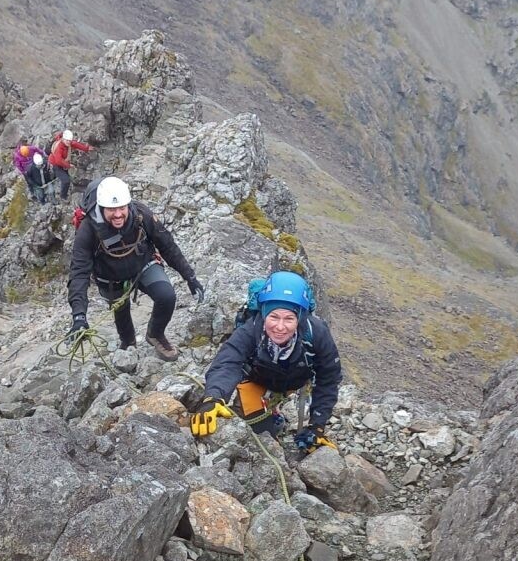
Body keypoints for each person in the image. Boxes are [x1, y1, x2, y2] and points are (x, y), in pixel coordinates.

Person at [190, 271, 342, 448]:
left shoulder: (317, 334)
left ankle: (274, 410)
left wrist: (317, 425)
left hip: (294, 382)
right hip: (257, 381)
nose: (280, 327)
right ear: (264, 314)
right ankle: (271, 416)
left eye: (289, 319)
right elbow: (228, 362)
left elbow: (328, 379)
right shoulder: (251, 330)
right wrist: (213, 398)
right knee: (264, 441)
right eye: (274, 317)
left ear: (300, 318)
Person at [67, 176, 204, 361]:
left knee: (167, 296)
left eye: (121, 208)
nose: (118, 214)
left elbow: (167, 246)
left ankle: (155, 334)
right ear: (101, 207)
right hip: (110, 278)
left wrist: (190, 277)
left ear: (128, 204)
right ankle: (128, 343)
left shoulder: (141, 215)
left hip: (143, 265)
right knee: (121, 311)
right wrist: (79, 316)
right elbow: (79, 273)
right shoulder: (88, 230)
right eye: (111, 209)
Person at [49, 128, 94, 199]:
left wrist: (86, 148)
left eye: (69, 141)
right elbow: (58, 160)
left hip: (63, 162)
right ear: (63, 139)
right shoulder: (59, 148)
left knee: (66, 176)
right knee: (66, 181)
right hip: (56, 165)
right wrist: (68, 165)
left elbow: (76, 144)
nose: (68, 142)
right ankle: (63, 196)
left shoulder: (67, 143)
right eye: (67, 141)